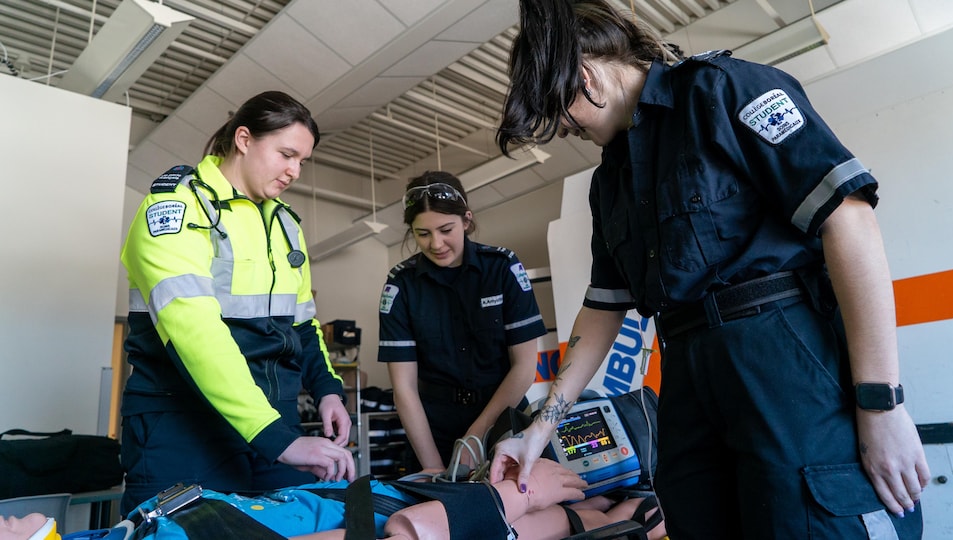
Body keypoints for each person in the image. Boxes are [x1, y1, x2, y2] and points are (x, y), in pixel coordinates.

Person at [489, 1, 931, 538]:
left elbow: (850, 221)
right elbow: (603, 308)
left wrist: (881, 405)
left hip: (781, 360)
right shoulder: (610, 180)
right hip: (687, 376)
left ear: (584, 76)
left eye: (556, 111)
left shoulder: (723, 91)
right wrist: (540, 429)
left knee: (810, 521)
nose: (562, 130)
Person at [119, 90, 355, 514]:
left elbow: (303, 324)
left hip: (272, 423)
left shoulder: (286, 225)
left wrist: (328, 391)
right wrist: (276, 439)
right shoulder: (177, 207)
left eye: (302, 161)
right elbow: (195, 333)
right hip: (184, 428)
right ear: (244, 139)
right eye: (286, 154)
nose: (294, 171)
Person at [2, 460, 666, 540]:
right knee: (592, 514)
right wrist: (512, 496)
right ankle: (623, 517)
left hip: (386, 495)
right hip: (417, 519)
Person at [378, 171, 548, 472]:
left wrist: (476, 434)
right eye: (423, 233)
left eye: (446, 230)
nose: (436, 243)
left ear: (466, 220)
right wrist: (433, 468)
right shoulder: (401, 285)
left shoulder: (502, 268)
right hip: (432, 429)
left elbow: (524, 367)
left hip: (503, 418)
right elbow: (404, 388)